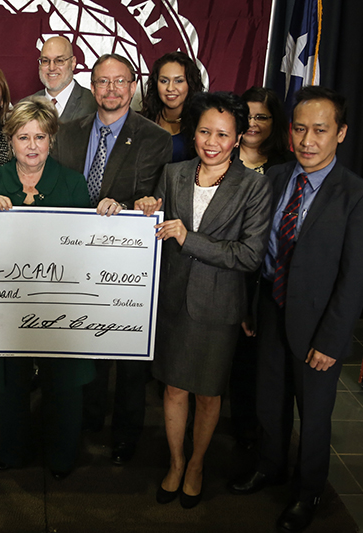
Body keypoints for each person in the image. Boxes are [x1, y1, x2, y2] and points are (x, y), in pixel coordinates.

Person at [228, 87, 363, 533]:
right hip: (270, 311)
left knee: (313, 417)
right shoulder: (274, 178)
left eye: (320, 130)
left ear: (341, 133)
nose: (308, 140)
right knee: (269, 400)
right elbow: (258, 251)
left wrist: (333, 340)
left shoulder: (359, 196)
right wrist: (250, 306)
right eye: (299, 128)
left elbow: (355, 279)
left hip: (318, 326)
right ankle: (269, 467)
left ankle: (308, 491)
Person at [136, 92, 272, 509]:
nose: (211, 141)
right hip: (173, 302)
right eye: (204, 131)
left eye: (222, 134)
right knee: (173, 390)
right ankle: (176, 464)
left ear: (238, 138)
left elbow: (249, 255)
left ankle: (197, 465)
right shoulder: (173, 173)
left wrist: (188, 238)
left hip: (218, 307)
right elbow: (157, 233)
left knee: (209, 395)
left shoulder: (254, 186)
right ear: (193, 132)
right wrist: (144, 211)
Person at [51, 53, 172, 466]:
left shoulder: (154, 138)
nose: (112, 90)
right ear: (92, 85)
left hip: (126, 264)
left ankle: (125, 434)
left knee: (128, 357)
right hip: (73, 258)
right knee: (85, 343)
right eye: (103, 82)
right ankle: (89, 417)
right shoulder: (66, 133)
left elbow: (153, 197)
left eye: (120, 82)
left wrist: (122, 206)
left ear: (134, 85)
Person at [0, 98, 94, 478]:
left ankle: (62, 457)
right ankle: (12, 450)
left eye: (40, 136)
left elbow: (87, 249)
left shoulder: (73, 182)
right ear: (11, 140)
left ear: (51, 139)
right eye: (24, 137)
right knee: (11, 384)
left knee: (64, 384)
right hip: (8, 307)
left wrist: (108, 216)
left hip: (61, 306)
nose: (33, 145)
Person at [229, 86, 293, 448]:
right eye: (248, 116)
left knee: (249, 362)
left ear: (275, 122)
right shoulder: (219, 152)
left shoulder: (285, 167)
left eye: (262, 117)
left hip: (260, 279)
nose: (253, 124)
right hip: (218, 269)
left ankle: (247, 432)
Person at [140, 52, 204, 162]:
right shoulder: (143, 120)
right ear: (156, 84)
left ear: (190, 84)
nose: (170, 88)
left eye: (178, 81)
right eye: (164, 81)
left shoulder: (202, 122)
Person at [29, 36, 96, 123]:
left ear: (73, 63)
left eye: (59, 60)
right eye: (45, 61)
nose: (51, 67)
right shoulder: (26, 105)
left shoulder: (93, 104)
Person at [238, 87, 291, 173]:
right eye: (246, 117)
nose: (251, 124)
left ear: (275, 121)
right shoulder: (221, 156)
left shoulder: (289, 163)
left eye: (260, 118)